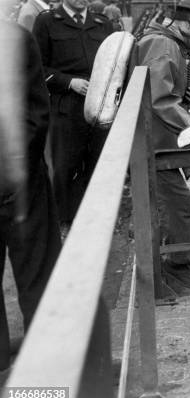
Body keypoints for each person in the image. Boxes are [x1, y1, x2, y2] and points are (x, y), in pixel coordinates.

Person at [133, 0, 190, 290]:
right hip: (154, 144)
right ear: (187, 22)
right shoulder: (162, 46)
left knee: (177, 203)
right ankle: (180, 270)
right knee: (176, 204)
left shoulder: (168, 44)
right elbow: (161, 98)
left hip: (159, 141)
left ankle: (177, 267)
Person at [0, 22, 61, 372]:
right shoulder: (15, 38)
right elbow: (36, 115)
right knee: (37, 272)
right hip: (20, 181)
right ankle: (44, 367)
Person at [32, 0, 113, 230]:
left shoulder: (103, 23)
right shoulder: (47, 21)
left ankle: (96, 219)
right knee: (66, 165)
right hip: (66, 106)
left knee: (98, 161)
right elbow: (38, 67)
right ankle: (66, 221)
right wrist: (69, 82)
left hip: (100, 104)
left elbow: (116, 62)